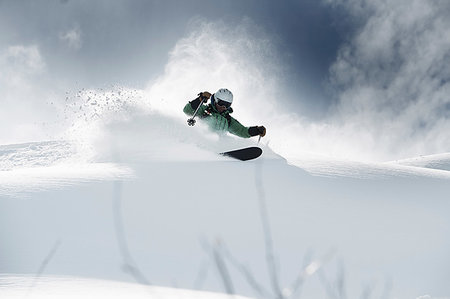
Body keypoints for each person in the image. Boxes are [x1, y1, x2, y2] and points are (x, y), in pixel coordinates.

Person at [183, 88, 266, 139]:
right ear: (215, 100)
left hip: (218, 145)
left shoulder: (228, 120)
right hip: (201, 140)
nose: (224, 107)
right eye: (222, 103)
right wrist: (200, 99)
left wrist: (257, 130)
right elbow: (187, 110)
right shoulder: (205, 110)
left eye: (227, 105)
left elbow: (242, 131)